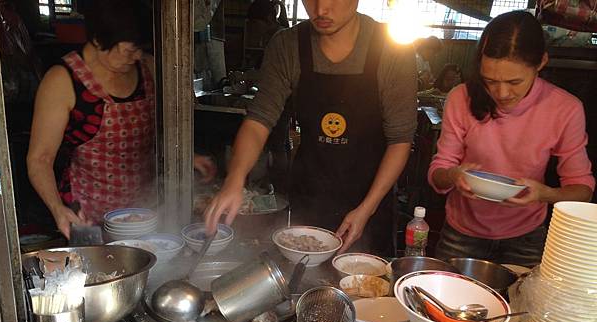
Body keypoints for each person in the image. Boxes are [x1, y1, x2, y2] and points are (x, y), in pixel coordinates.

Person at [205, 0, 417, 255]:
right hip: (310, 197)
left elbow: (400, 141)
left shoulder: (393, 51)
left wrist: (366, 209)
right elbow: (259, 121)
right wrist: (235, 179)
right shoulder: (288, 46)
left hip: (371, 203)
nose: (321, 9)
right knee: (304, 282)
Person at [26, 0, 215, 239]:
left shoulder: (147, 68)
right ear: (98, 39)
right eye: (128, 49)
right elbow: (39, 159)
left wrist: (185, 156)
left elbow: (161, 129)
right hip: (88, 215)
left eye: (140, 48)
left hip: (146, 212)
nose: (136, 56)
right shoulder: (62, 80)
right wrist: (58, 209)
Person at [428, 10, 594, 267]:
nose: (502, 93)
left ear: (541, 62)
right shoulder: (461, 97)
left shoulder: (565, 109)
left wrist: (544, 194)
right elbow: (439, 170)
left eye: (514, 81)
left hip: (527, 238)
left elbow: (582, 190)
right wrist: (453, 175)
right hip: (461, 233)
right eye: (490, 81)